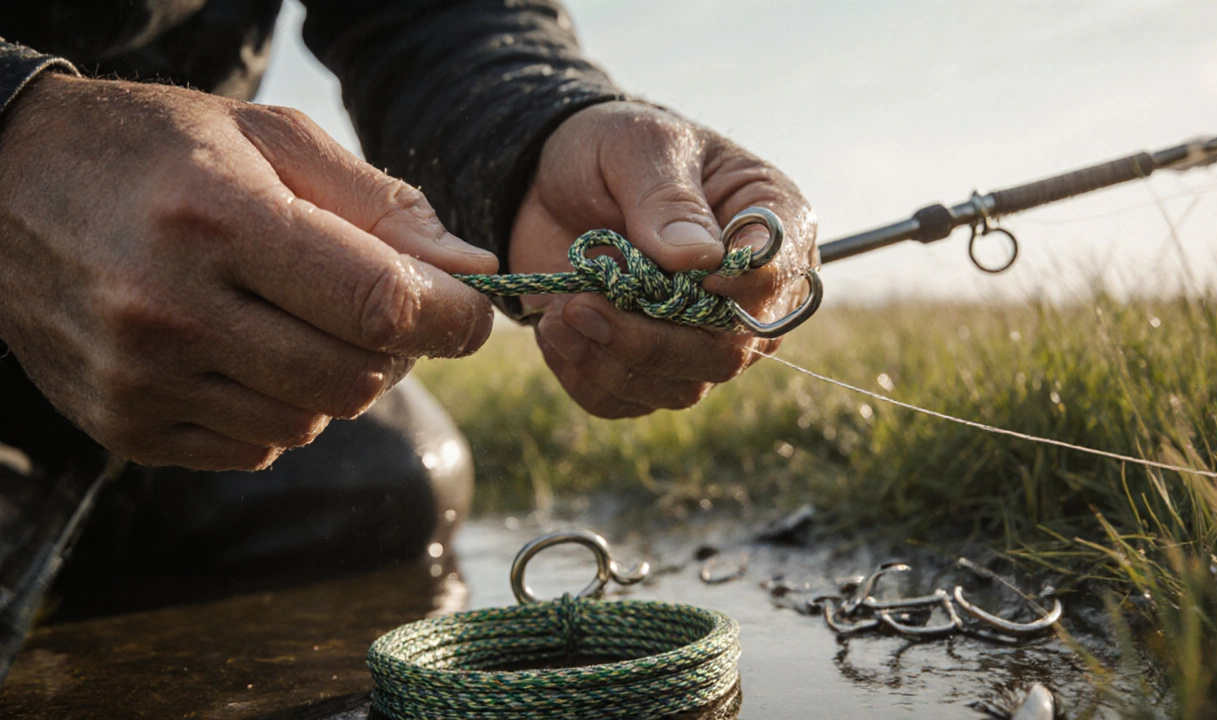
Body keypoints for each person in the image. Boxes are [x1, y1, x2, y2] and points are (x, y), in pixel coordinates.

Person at [0, 0, 817, 643]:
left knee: (386, 489)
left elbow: (428, 14)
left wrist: (538, 133)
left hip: (176, 307)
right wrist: (18, 145)